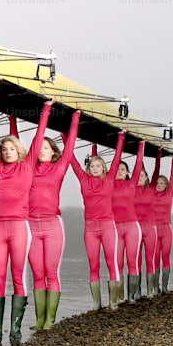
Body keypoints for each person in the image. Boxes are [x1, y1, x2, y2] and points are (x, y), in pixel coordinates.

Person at [0, 99, 51, 344]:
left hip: (19, 227)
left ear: (19, 151)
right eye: (3, 149)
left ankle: (15, 328)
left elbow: (38, 136)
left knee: (17, 276)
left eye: (10, 148)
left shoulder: (27, 167)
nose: (6, 152)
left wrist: (45, 109)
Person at [25, 108, 81, 330]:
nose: (41, 150)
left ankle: (50, 319)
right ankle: (39, 319)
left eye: (46, 148)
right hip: (30, 224)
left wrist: (74, 118)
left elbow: (71, 145)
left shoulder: (59, 167)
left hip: (52, 225)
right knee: (37, 274)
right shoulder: (27, 168)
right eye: (39, 147)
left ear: (53, 152)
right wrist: (12, 120)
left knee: (51, 272)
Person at [70, 131, 125, 310]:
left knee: (111, 262)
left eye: (98, 166)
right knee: (93, 265)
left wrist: (121, 137)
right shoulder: (83, 180)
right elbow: (72, 159)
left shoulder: (109, 180)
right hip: (90, 228)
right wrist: (65, 135)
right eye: (92, 166)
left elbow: (117, 157)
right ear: (89, 168)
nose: (94, 168)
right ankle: (96, 303)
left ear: (103, 168)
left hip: (108, 226)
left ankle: (114, 302)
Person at [110, 140, 146, 302]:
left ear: (127, 173)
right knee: (117, 263)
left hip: (132, 227)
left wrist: (141, 145)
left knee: (132, 261)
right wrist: (94, 147)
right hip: (115, 228)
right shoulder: (108, 184)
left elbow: (139, 163)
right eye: (117, 168)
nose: (119, 171)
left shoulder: (132, 184)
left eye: (123, 169)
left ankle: (131, 296)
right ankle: (117, 297)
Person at [134, 151, 162, 298]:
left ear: (147, 178)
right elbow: (139, 165)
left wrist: (158, 154)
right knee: (136, 260)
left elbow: (157, 170)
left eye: (142, 175)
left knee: (149, 259)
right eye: (137, 174)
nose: (139, 177)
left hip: (150, 229)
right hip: (136, 229)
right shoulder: (131, 189)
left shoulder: (151, 189)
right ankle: (137, 292)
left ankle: (150, 291)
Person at [152, 154, 173, 294]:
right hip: (154, 230)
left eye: (162, 183)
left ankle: (165, 287)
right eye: (157, 183)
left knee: (165, 257)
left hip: (166, 229)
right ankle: (155, 287)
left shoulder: (169, 193)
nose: (159, 186)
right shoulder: (151, 194)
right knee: (154, 258)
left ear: (166, 185)